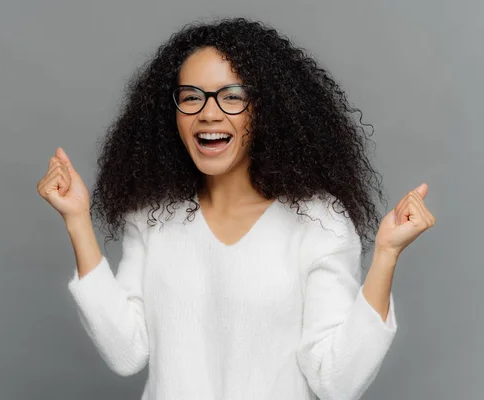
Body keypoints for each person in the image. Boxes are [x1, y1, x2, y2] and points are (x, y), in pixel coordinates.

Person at [37, 17, 435, 400]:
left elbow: (336, 382)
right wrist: (77, 221)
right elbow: (125, 352)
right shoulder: (151, 216)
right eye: (191, 97)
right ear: (171, 114)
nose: (209, 113)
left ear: (266, 110)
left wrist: (386, 254)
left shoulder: (318, 220)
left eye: (232, 96)